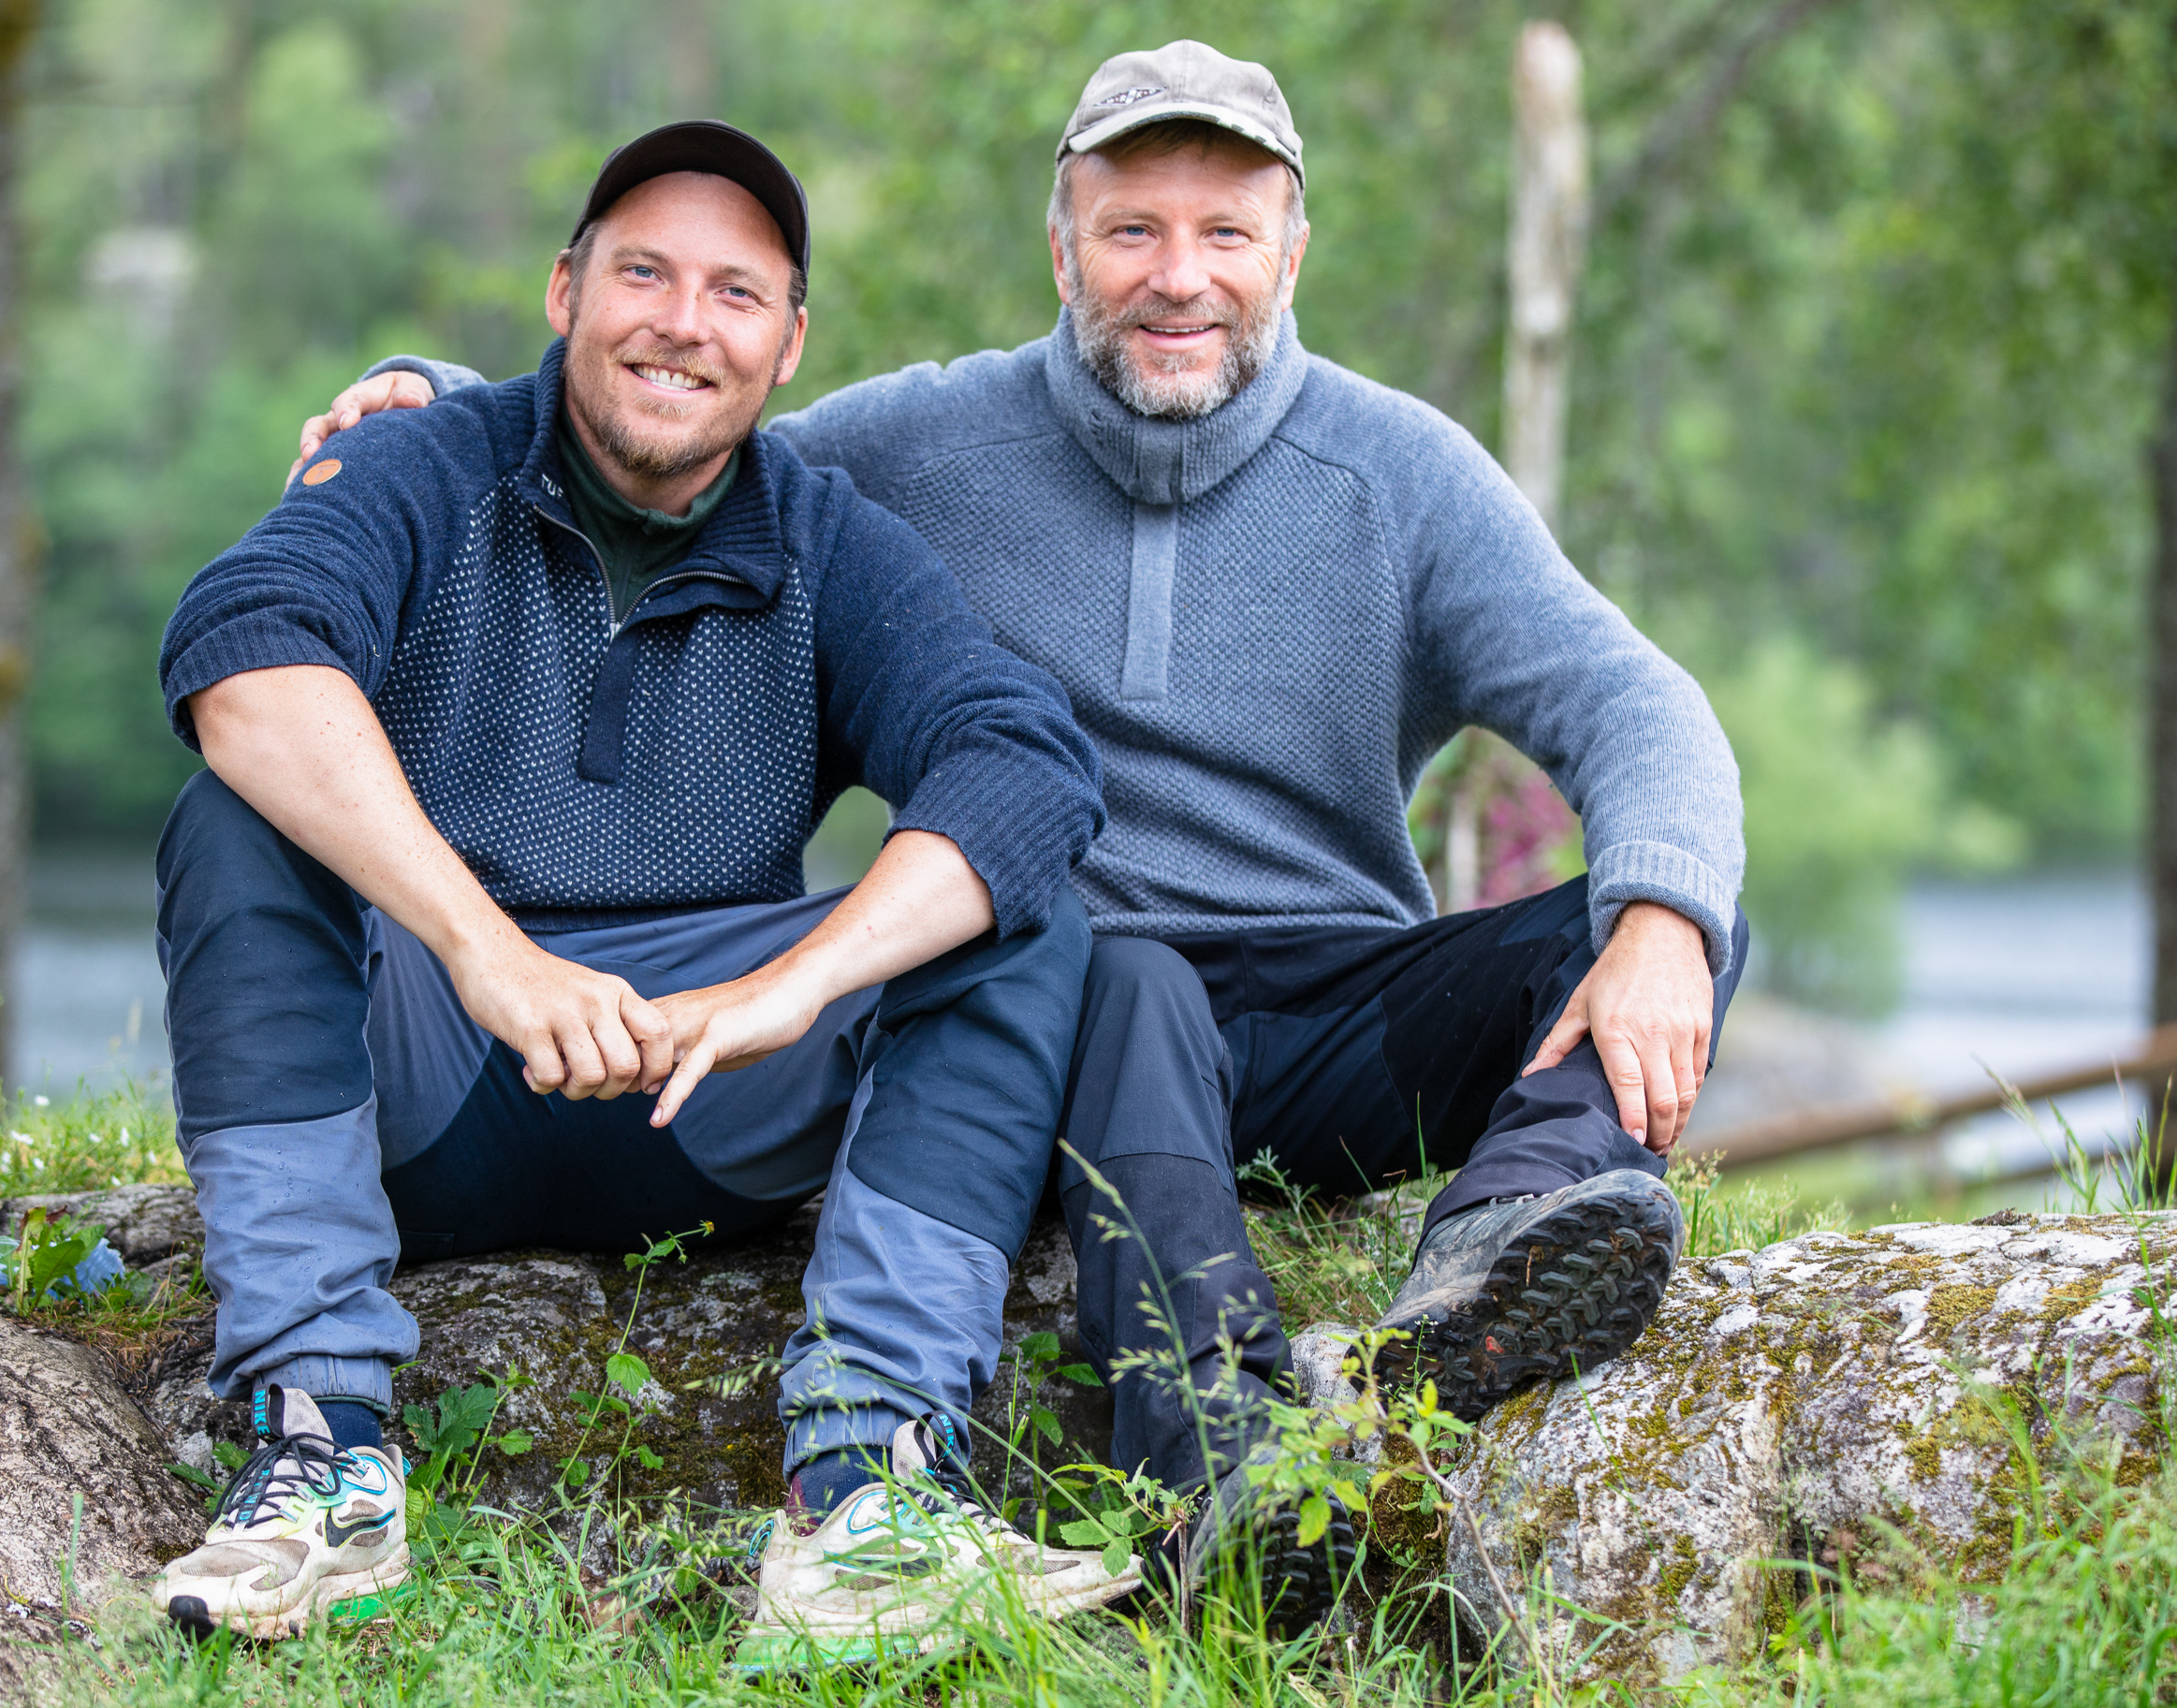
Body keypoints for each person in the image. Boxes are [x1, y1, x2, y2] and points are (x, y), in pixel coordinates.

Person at [312, 40, 1748, 1639]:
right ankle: (1229, 1473)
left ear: (1290, 254)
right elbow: (671, 416)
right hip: (1057, 1015)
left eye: (1225, 234)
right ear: (1061, 246)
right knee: (1116, 968)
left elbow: (1635, 702)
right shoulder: (910, 447)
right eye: (1132, 230)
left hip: (1337, 1010)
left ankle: (1492, 1253)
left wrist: (1664, 922)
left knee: (1659, 907)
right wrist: (440, 409)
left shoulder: (1399, 473)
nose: (1178, 278)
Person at [151, 121, 1139, 1664]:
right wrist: (482, 950)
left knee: (1008, 907)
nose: (684, 321)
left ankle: (869, 1492)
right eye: (644, 272)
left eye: (737, 292)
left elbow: (1018, 761)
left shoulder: (829, 543)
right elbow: (240, 642)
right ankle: (318, 1449)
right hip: (429, 1074)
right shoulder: (421, 462)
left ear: (790, 342)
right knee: (237, 815)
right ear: (563, 291)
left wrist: (794, 984)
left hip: (710, 1093)